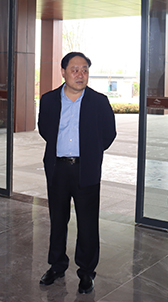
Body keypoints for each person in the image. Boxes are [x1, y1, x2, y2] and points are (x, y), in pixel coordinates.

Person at [37, 52, 116, 294]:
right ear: (63, 72)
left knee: (88, 223)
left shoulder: (99, 101)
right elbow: (45, 129)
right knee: (57, 220)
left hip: (86, 168)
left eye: (84, 70)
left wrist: (90, 153)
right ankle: (57, 265)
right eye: (75, 70)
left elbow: (108, 134)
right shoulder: (49, 100)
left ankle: (86, 271)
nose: (80, 75)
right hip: (58, 168)